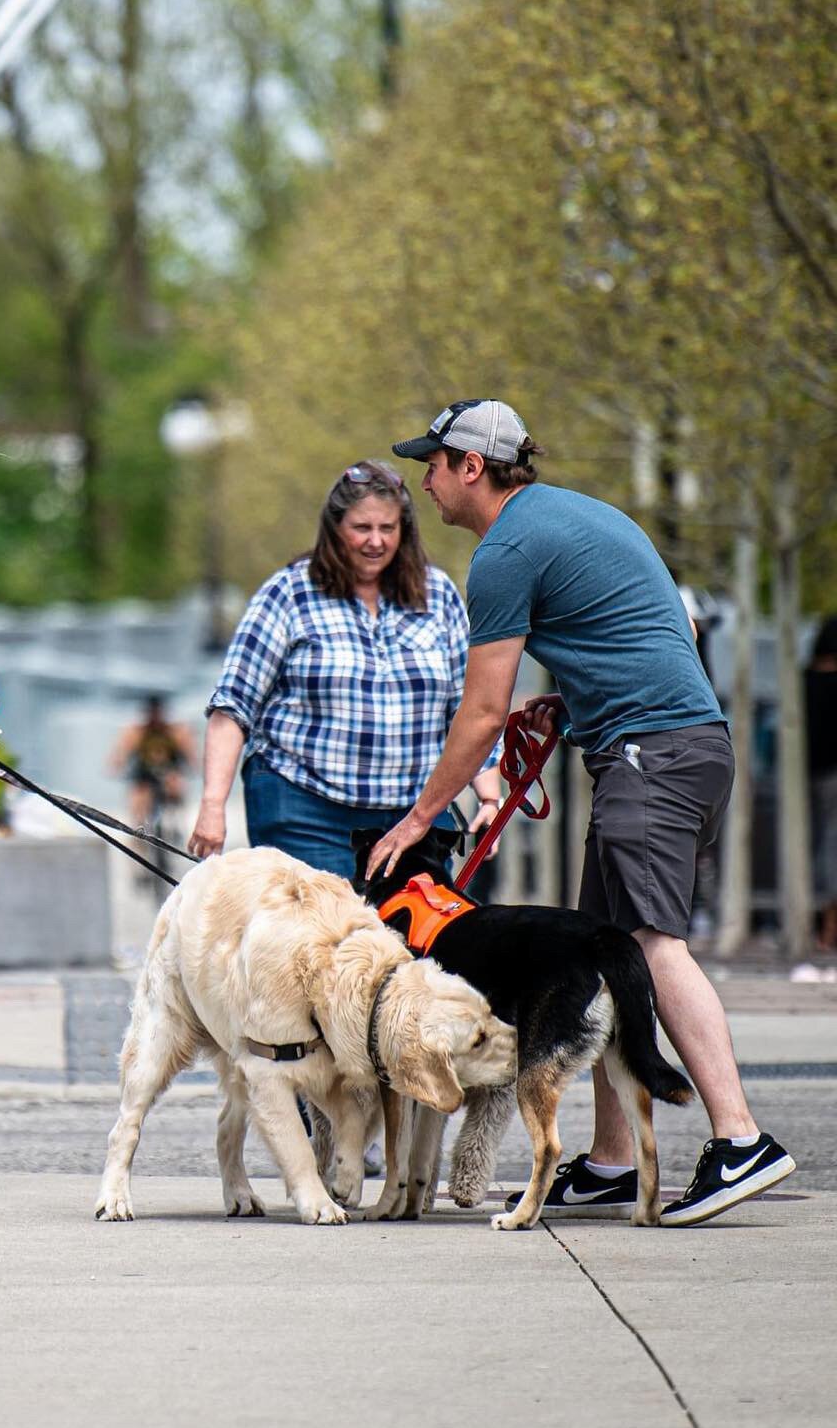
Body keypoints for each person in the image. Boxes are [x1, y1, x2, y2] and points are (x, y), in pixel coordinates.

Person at [367, 398, 794, 1226]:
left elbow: (481, 712)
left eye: (434, 462)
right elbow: (653, 630)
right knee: (601, 953)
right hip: (681, 744)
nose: (426, 480)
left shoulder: (504, 552)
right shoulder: (580, 514)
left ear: (472, 467)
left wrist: (420, 819)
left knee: (647, 940)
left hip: (651, 758)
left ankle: (741, 1138)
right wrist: (570, 700)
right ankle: (609, 1159)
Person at [189, 461, 502, 878]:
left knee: (416, 940)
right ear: (335, 528)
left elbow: (467, 708)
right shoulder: (289, 593)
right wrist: (213, 807)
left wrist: (489, 801)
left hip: (413, 813)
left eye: (388, 529)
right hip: (304, 806)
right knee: (327, 939)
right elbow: (233, 706)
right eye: (362, 528)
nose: (375, 541)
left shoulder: (438, 595)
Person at [110, 695, 195, 839]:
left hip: (169, 773)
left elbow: (190, 755)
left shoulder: (174, 731)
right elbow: (120, 754)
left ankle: (176, 826)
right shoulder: (138, 732)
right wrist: (117, 764)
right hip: (144, 775)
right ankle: (138, 831)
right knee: (139, 800)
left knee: (176, 788)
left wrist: (190, 760)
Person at [807, 617, 837, 951]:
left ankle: (825, 929)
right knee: (830, 847)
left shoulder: (804, 680)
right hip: (832, 776)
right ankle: (828, 928)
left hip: (809, 775)